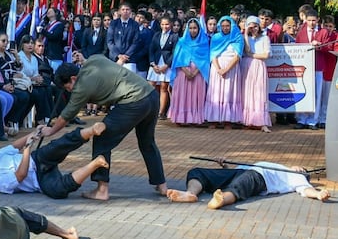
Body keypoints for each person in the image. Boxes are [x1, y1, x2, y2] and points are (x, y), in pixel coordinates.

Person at [40, 60, 167, 201]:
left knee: (102, 138)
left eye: (68, 87)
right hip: (150, 95)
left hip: (133, 102)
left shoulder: (82, 87)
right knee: (147, 142)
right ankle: (161, 185)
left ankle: (102, 190)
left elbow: (67, 114)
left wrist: (50, 131)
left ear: (74, 78)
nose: (70, 91)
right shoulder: (93, 60)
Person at [0, 123, 107, 198]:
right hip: (40, 180)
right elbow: (21, 175)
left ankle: (91, 130)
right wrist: (27, 150)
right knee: (58, 191)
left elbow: (15, 145)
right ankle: (95, 163)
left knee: (58, 146)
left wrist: (34, 133)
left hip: (36, 159)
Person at [166, 159, 330, 209]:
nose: (299, 167)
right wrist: (225, 167)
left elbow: (306, 190)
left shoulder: (296, 176)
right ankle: (190, 193)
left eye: (303, 169)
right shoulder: (282, 166)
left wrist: (317, 194)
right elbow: (237, 172)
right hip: (241, 171)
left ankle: (221, 199)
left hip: (259, 179)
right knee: (197, 172)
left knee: (238, 187)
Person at [204, 16, 244, 127]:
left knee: (229, 93)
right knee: (215, 93)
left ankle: (228, 120)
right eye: (223, 26)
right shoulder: (216, 37)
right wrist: (218, 69)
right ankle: (214, 119)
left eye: (227, 26)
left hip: (232, 69)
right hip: (217, 69)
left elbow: (238, 56)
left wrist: (226, 69)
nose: (225, 28)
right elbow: (213, 54)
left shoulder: (238, 37)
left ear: (232, 26)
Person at [169, 17, 209, 125]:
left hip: (198, 74)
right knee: (182, 95)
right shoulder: (181, 42)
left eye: (195, 28)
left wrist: (195, 72)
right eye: (190, 28)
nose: (193, 30)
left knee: (195, 97)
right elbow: (177, 58)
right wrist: (186, 71)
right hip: (183, 73)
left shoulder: (204, 42)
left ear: (199, 29)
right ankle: (181, 118)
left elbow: (205, 60)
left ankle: (194, 119)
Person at [240, 16, 272, 132]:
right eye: (251, 26)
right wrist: (246, 34)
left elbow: (266, 55)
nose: (253, 28)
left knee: (259, 93)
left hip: (259, 66)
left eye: (255, 26)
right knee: (247, 93)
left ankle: (261, 121)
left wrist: (252, 55)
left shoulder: (265, 38)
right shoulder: (245, 38)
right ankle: (247, 120)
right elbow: (246, 50)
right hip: (247, 66)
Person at [17, 35, 53, 125]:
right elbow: (19, 74)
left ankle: (42, 117)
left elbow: (36, 73)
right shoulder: (19, 56)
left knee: (45, 89)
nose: (30, 45)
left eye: (32, 43)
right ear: (22, 44)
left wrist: (38, 78)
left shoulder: (34, 58)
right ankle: (40, 119)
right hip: (22, 84)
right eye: (27, 43)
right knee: (38, 93)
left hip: (33, 83)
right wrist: (33, 78)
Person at [147, 16, 178, 120]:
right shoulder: (156, 34)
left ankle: (161, 112)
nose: (165, 26)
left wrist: (167, 65)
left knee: (164, 88)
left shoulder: (174, 36)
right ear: (160, 25)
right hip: (155, 63)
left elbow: (175, 52)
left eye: (167, 24)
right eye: (163, 24)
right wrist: (152, 64)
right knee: (151, 87)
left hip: (166, 64)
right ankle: (150, 110)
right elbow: (151, 49)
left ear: (171, 24)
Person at [106, 2, 140, 72]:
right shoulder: (113, 23)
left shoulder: (135, 24)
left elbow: (135, 42)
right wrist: (119, 55)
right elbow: (110, 41)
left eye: (127, 9)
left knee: (129, 82)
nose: (125, 11)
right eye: (123, 9)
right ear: (119, 11)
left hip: (129, 59)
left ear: (130, 11)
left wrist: (125, 56)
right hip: (115, 59)